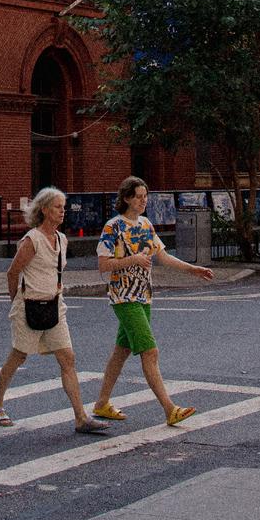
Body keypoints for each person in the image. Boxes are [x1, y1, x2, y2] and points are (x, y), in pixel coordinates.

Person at [93, 175, 213, 426]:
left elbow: (163, 256)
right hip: (124, 297)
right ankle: (170, 409)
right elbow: (103, 265)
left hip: (144, 296)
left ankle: (102, 403)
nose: (143, 201)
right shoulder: (113, 227)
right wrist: (133, 260)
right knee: (150, 351)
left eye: (145, 196)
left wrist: (194, 269)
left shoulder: (146, 224)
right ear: (127, 198)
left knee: (122, 351)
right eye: (138, 197)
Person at [0, 186, 108, 435]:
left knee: (67, 358)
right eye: (57, 207)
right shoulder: (32, 240)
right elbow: (12, 272)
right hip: (29, 305)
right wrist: (16, 301)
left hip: (54, 306)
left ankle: (80, 417)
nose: (62, 211)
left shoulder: (62, 239)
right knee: (19, 356)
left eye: (63, 207)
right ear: (44, 210)